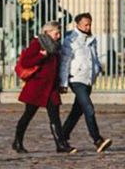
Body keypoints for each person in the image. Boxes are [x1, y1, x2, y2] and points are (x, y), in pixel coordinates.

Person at [13, 22, 76, 154]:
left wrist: (61, 83)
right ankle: (17, 141)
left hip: (51, 87)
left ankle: (60, 144)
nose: (58, 36)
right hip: (37, 86)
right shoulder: (37, 43)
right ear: (47, 32)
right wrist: (41, 56)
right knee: (28, 115)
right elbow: (26, 62)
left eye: (59, 33)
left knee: (55, 117)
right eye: (56, 33)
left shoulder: (56, 46)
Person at [60, 13, 112, 152]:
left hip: (88, 78)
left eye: (90, 24)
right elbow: (65, 63)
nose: (88, 27)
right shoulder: (70, 40)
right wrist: (63, 83)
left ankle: (62, 137)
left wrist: (97, 68)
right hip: (76, 78)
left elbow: (93, 56)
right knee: (89, 108)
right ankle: (97, 140)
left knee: (76, 112)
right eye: (85, 25)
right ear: (77, 24)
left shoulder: (91, 39)